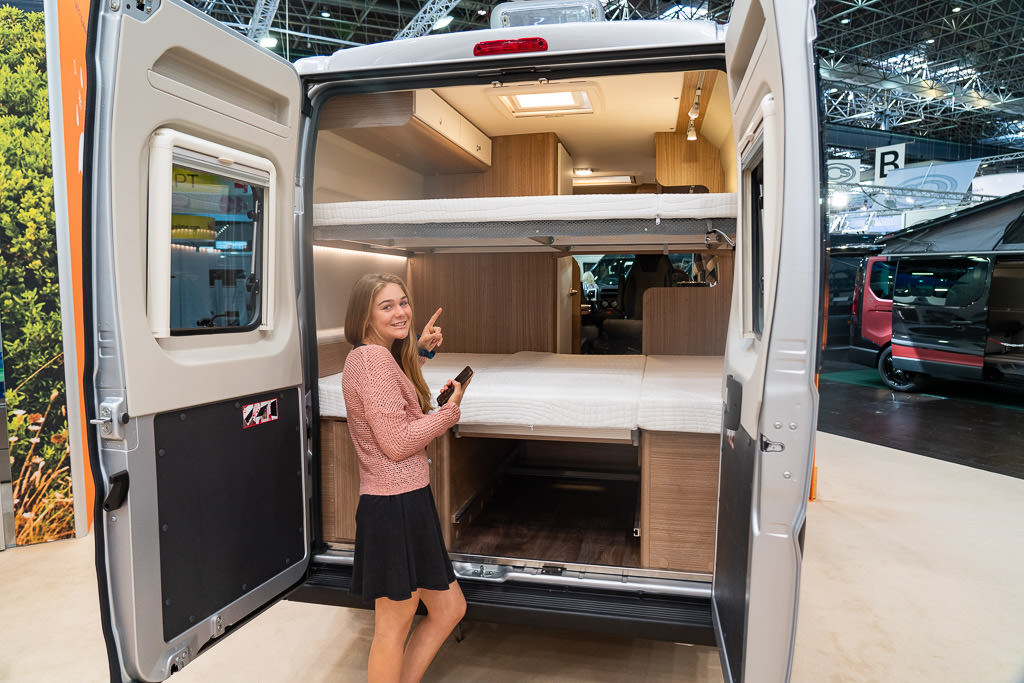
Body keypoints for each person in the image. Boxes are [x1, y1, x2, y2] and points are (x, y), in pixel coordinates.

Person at [341, 272, 469, 683]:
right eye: (387, 306)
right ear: (365, 315)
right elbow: (396, 442)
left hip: (408, 502)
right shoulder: (370, 360)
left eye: (404, 302)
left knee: (450, 609)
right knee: (392, 630)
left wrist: (420, 352)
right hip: (392, 508)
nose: (401, 312)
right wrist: (448, 414)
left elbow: (392, 391)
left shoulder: (377, 357)